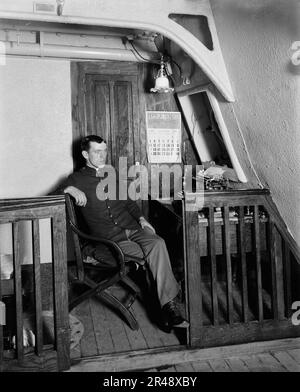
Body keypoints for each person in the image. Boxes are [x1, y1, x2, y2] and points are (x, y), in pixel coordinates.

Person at [62, 135, 188, 330]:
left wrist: (142, 219)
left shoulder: (111, 173)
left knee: (158, 243)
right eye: (97, 151)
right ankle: (169, 308)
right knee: (152, 255)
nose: (103, 155)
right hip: (108, 240)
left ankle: (168, 305)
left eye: (104, 151)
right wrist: (69, 189)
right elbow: (50, 198)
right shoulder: (76, 179)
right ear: (85, 154)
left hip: (132, 228)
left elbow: (128, 202)